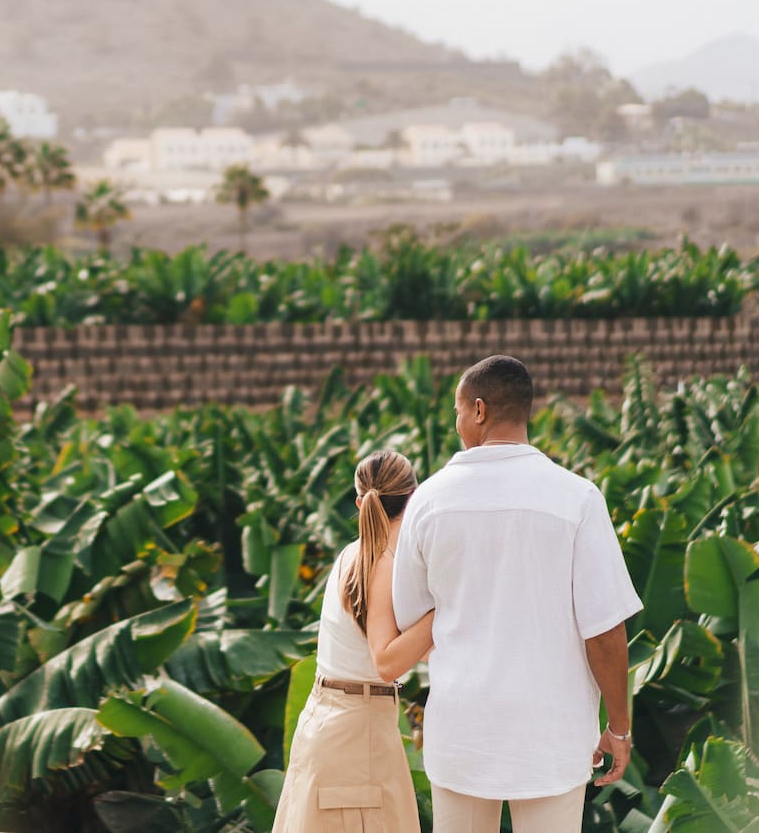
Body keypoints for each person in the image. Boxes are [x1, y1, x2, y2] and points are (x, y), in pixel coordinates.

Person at [391, 356, 643, 833]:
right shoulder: (578, 497)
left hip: (462, 732)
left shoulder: (428, 500)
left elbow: (412, 619)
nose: (457, 422)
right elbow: (605, 632)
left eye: (458, 411)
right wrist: (619, 728)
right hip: (551, 736)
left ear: (480, 410)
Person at [274, 450, 436, 833]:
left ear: (359, 501)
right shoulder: (382, 564)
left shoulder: (353, 556)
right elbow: (387, 662)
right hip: (358, 735)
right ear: (412, 500)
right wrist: (442, 612)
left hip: (329, 721)